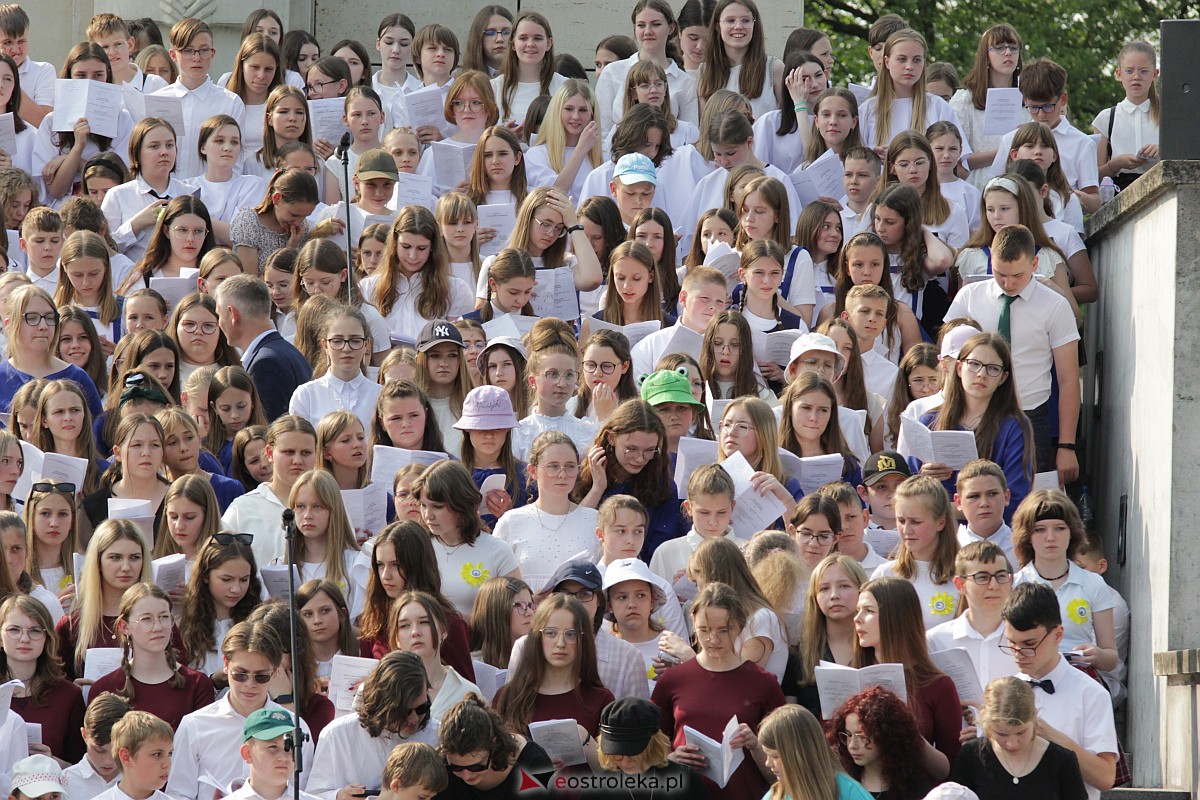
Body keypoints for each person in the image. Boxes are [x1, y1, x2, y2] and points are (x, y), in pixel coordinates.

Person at [944, 225, 1079, 484]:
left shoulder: (1055, 305)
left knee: (1029, 507)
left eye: (1017, 275)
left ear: (1035, 263)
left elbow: (1068, 379)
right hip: (973, 415)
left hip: (1029, 416)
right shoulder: (969, 297)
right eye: (999, 273)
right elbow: (948, 358)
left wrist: (1067, 445)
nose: (1008, 283)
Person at [652, 582, 784, 799]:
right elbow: (651, 743)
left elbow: (786, 762)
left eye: (723, 630)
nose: (713, 640)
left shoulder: (763, 683)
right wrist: (670, 758)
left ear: (740, 627)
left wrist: (754, 745)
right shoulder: (673, 679)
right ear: (693, 623)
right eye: (704, 630)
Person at [169, 621, 314, 799]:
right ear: (226, 665)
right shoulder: (195, 725)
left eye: (260, 676)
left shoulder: (296, 727)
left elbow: (304, 792)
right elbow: (178, 794)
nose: (249, 684)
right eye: (240, 674)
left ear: (275, 672)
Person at [853, 577, 960, 773]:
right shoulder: (851, 675)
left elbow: (949, 767)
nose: (857, 618)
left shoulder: (938, 685)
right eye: (857, 610)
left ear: (895, 617)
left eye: (868, 611)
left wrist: (907, 729)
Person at [1011, 490, 1119, 674]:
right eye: (1040, 529)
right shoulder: (1013, 585)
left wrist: (1097, 655)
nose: (1050, 537)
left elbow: (1111, 657)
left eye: (1059, 528)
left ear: (1072, 532)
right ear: (1027, 536)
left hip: (1080, 679)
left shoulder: (1093, 583)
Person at [307, 651, 439, 799]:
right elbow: (311, 795)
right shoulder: (337, 735)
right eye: (404, 712)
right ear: (382, 704)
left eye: (422, 708)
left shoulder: (437, 735)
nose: (414, 719)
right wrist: (338, 796)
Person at [88, 582, 215, 731]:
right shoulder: (105, 689)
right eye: (146, 619)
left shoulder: (197, 684)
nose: (158, 627)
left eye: (164, 617)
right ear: (125, 627)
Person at [986, 58, 1099, 215]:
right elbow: (992, 187)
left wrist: (1065, 194)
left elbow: (1094, 201)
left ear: (1063, 99)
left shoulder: (1082, 143)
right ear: (1025, 101)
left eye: (1047, 106)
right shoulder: (1011, 139)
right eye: (1033, 107)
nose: (1040, 114)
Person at [952, 676, 1088, 800]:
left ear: (1035, 718)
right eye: (1001, 734)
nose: (1012, 743)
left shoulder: (1062, 761)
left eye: (1021, 733)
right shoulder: (972, 755)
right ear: (987, 724)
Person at [926, 541, 1018, 699]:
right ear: (960, 584)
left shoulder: (1025, 640)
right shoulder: (935, 641)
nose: (994, 585)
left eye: (1001, 576)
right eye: (982, 577)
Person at [0, 594, 85, 763]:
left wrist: (52, 762)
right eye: (14, 630)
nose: (24, 639)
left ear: (47, 638)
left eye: (35, 631)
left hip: (50, 788)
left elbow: (82, 769)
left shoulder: (68, 695)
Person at [216, 275, 312, 422]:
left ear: (232, 314)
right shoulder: (287, 352)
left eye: (219, 315)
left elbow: (268, 430)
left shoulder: (266, 363)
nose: (219, 323)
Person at [828, 687, 937, 800]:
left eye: (862, 736)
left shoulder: (915, 785)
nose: (852, 745)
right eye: (848, 735)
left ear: (886, 735)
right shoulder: (842, 783)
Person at [1093, 41, 1159, 190]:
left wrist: (1163, 150)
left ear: (1155, 74)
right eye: (1129, 71)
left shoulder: (1169, 115)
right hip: (1120, 193)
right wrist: (1116, 164)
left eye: (1143, 71)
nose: (1136, 77)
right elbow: (1093, 177)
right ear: (1119, 74)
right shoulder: (1106, 118)